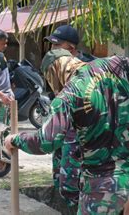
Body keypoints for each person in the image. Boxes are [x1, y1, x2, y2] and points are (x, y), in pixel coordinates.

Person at [4, 49, 129, 214]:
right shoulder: (115, 64)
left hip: (100, 193)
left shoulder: (69, 95)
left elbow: (45, 142)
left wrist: (15, 139)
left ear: (55, 72)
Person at [44, 25, 96, 210]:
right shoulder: (56, 65)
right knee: (60, 179)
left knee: (73, 182)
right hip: (61, 129)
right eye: (51, 45)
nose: (52, 50)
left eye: (57, 45)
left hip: (79, 133)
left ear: (72, 48)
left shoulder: (89, 70)